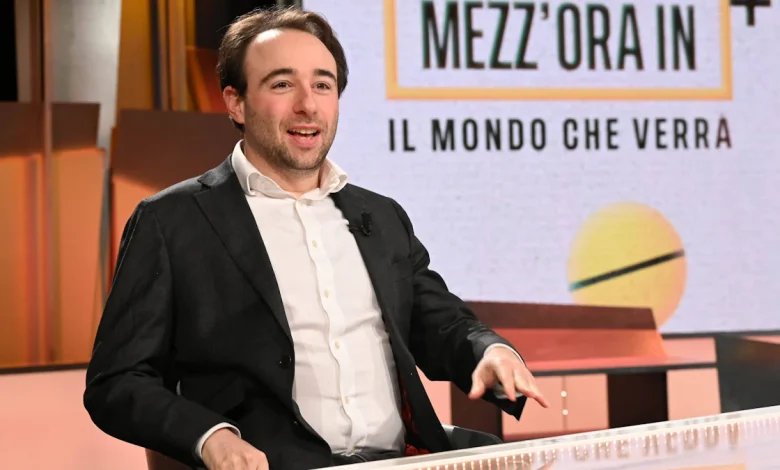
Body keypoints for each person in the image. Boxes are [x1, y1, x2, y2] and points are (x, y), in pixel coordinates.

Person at [84, 7, 548, 470]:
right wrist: (210, 437)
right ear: (235, 102)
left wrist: (489, 351)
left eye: (323, 85)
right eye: (282, 84)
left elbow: (441, 324)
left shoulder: (381, 216)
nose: (308, 105)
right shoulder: (173, 221)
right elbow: (117, 381)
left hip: (402, 460)